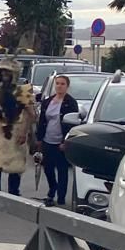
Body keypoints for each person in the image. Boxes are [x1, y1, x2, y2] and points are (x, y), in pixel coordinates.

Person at [0, 56, 36, 196]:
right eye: (2, 72)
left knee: (15, 165)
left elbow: (31, 114)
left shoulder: (23, 91)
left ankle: (14, 194)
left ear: (14, 74)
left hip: (15, 132)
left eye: (8, 72)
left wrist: (24, 132)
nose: (5, 75)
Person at [35, 73, 80, 207]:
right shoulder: (48, 101)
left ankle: (61, 196)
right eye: (57, 83)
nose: (59, 86)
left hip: (61, 141)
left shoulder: (70, 103)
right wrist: (39, 139)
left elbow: (73, 123)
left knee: (62, 169)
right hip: (48, 139)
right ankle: (52, 188)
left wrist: (66, 141)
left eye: (62, 84)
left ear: (67, 86)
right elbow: (42, 120)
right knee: (48, 168)